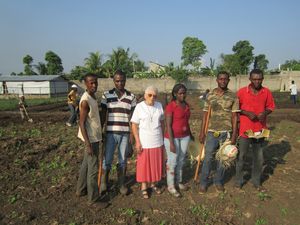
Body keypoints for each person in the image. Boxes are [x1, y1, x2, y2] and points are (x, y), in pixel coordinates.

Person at [198, 71, 239, 193]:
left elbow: (235, 117)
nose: (223, 81)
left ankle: (218, 181)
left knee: (223, 158)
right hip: (211, 132)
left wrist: (234, 135)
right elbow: (205, 115)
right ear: (217, 80)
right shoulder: (209, 95)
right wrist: (202, 132)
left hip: (226, 132)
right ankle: (203, 182)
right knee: (208, 158)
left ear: (228, 80)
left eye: (225, 79)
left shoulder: (233, 96)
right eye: (220, 79)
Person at [235, 69, 275, 191]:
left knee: (259, 157)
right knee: (241, 156)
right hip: (245, 130)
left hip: (260, 130)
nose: (257, 81)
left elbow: (271, 107)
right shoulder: (242, 92)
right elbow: (236, 108)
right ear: (250, 79)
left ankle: (256, 181)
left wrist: (265, 112)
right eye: (254, 79)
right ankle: (239, 181)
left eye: (259, 79)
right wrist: (247, 113)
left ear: (262, 79)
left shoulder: (266, 92)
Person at [100, 70, 136, 195]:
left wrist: (132, 136)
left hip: (125, 133)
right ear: (114, 81)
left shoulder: (131, 97)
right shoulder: (106, 95)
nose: (120, 83)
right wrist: (101, 132)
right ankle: (104, 183)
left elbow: (133, 119)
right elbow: (103, 115)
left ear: (125, 80)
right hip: (110, 133)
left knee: (122, 160)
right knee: (107, 159)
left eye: (122, 80)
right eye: (117, 81)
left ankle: (121, 184)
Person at [76, 73, 106, 206]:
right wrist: (88, 144)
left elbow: (93, 118)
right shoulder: (85, 101)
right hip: (90, 139)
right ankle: (93, 199)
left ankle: (80, 190)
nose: (94, 85)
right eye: (91, 83)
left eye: (95, 82)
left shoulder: (93, 97)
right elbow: (81, 123)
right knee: (93, 169)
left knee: (86, 165)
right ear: (85, 84)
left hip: (94, 136)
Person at [131, 86, 165, 199]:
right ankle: (144, 187)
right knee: (144, 165)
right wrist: (137, 141)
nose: (152, 97)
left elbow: (162, 122)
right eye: (150, 95)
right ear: (145, 95)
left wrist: (163, 138)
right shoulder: (139, 107)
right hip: (144, 141)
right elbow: (134, 125)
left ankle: (153, 184)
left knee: (155, 164)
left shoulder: (159, 105)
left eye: (154, 96)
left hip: (157, 140)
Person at [164, 84, 193, 197]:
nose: (182, 95)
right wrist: (171, 143)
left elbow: (186, 122)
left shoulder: (186, 105)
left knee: (181, 160)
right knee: (172, 161)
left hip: (185, 136)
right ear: (175, 94)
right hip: (172, 137)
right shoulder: (171, 106)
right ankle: (171, 186)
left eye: (184, 93)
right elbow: (168, 125)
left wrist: (190, 134)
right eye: (180, 93)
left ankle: (178, 182)